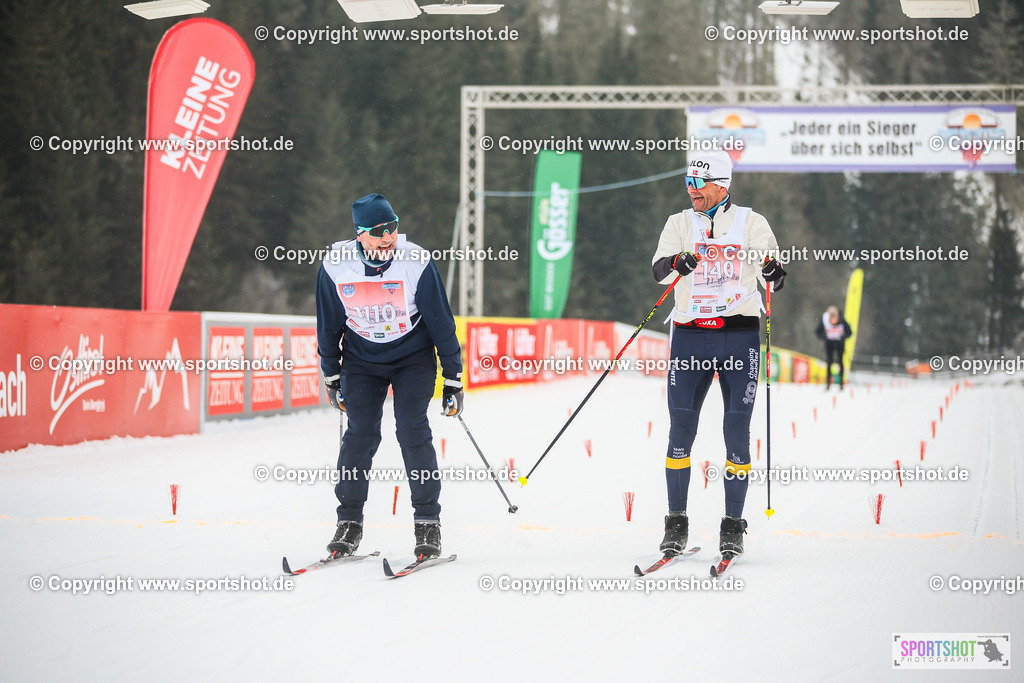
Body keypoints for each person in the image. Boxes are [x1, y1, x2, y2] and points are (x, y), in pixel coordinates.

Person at [650, 151, 786, 562]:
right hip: (690, 336)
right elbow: (659, 270)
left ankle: (732, 525)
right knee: (680, 434)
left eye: (700, 183)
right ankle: (676, 522)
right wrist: (679, 261)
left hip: (738, 339)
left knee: (736, 435)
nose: (692, 190)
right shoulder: (679, 223)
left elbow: (775, 274)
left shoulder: (751, 222)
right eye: (688, 182)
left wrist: (771, 272)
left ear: (721, 186)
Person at [316, 193, 464, 561]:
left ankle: (428, 523)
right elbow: (328, 323)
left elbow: (441, 323)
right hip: (362, 359)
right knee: (360, 435)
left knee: (411, 429)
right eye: (379, 231)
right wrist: (331, 373)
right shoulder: (336, 264)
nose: (388, 237)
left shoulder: (416, 261)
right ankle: (349, 523)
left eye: (393, 227)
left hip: (412, 357)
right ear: (360, 234)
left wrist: (453, 377)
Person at [815, 305, 853, 390]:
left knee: (840, 362)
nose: (833, 321)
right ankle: (828, 382)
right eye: (831, 319)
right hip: (829, 344)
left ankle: (841, 383)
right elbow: (817, 332)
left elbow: (850, 332)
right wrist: (823, 337)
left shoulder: (842, 321)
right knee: (829, 362)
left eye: (835, 318)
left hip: (840, 344)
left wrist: (844, 336)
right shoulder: (825, 321)